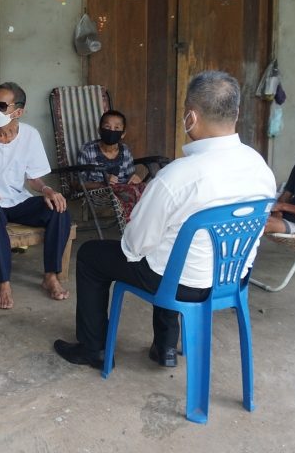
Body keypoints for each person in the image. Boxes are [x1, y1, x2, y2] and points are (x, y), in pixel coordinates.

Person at [54, 71, 275, 369]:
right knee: (171, 248)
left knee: (94, 254)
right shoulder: (259, 166)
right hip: (231, 279)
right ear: (235, 113)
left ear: (191, 117)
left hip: (181, 284)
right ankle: (165, 347)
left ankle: (93, 349)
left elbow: (134, 246)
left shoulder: (177, 176)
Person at [0, 82, 72, 310]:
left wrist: (47, 190)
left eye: (1, 106)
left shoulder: (30, 135)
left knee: (58, 209)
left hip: (17, 199)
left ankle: (51, 276)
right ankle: (3, 284)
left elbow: (33, 178)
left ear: (18, 112)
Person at [76, 109, 145, 222]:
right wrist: (103, 183)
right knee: (133, 193)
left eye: (117, 128)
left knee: (147, 189)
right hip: (99, 194)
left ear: (123, 134)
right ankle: (133, 228)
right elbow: (78, 184)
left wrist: (135, 178)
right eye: (107, 127)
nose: (112, 131)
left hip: (125, 190)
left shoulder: (125, 150)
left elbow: (131, 176)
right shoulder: (87, 150)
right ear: (100, 130)